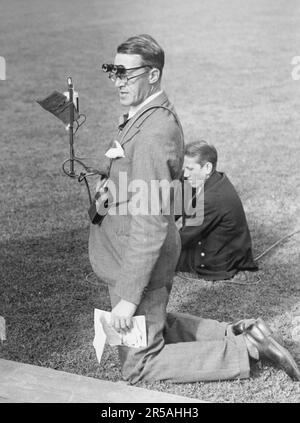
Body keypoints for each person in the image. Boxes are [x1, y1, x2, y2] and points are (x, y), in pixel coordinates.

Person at [88, 34, 300, 383]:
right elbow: (142, 181)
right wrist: (113, 185)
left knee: (139, 364)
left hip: (138, 258)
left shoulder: (154, 132)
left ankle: (246, 349)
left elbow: (152, 221)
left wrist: (127, 297)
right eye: (113, 71)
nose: (117, 81)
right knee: (152, 322)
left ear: (153, 75)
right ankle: (242, 332)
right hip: (130, 254)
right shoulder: (144, 115)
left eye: (126, 73)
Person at [176, 140, 259, 281]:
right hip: (215, 247)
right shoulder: (211, 179)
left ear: (207, 167)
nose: (185, 174)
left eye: (190, 169)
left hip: (216, 262)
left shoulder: (212, 199)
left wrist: (152, 239)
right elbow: (178, 205)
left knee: (157, 258)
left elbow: (182, 239)